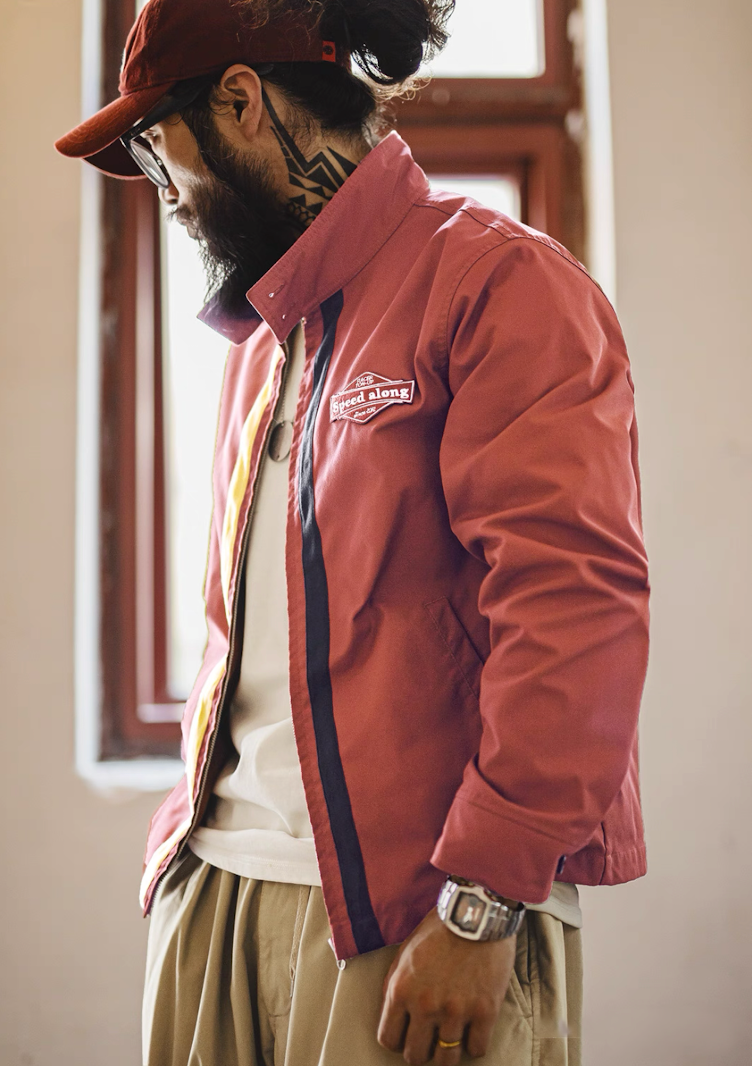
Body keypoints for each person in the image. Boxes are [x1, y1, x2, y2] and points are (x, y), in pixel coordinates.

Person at [56, 0, 650, 1063]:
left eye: (156, 144)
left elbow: (573, 609)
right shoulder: (261, 341)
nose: (164, 192)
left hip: (414, 925)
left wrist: (481, 906)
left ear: (240, 100)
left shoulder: (500, 286)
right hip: (220, 901)